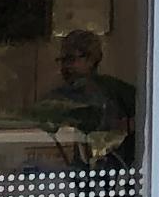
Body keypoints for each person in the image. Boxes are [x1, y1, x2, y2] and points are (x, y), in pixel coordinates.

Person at [37, 29, 139, 163]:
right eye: (63, 60)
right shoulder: (55, 98)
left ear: (91, 59)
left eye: (71, 59)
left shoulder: (116, 91)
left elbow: (146, 118)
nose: (66, 66)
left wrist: (122, 127)